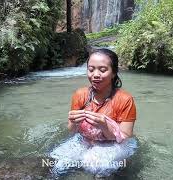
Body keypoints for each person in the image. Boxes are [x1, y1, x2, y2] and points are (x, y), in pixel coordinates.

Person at [49, 48, 138, 177]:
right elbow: (72, 129)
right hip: (84, 139)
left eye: (102, 70)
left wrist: (104, 126)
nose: (95, 74)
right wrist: (74, 122)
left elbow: (125, 136)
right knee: (58, 163)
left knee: (95, 166)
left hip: (113, 144)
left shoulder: (125, 99)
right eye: (91, 69)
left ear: (113, 73)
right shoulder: (80, 95)